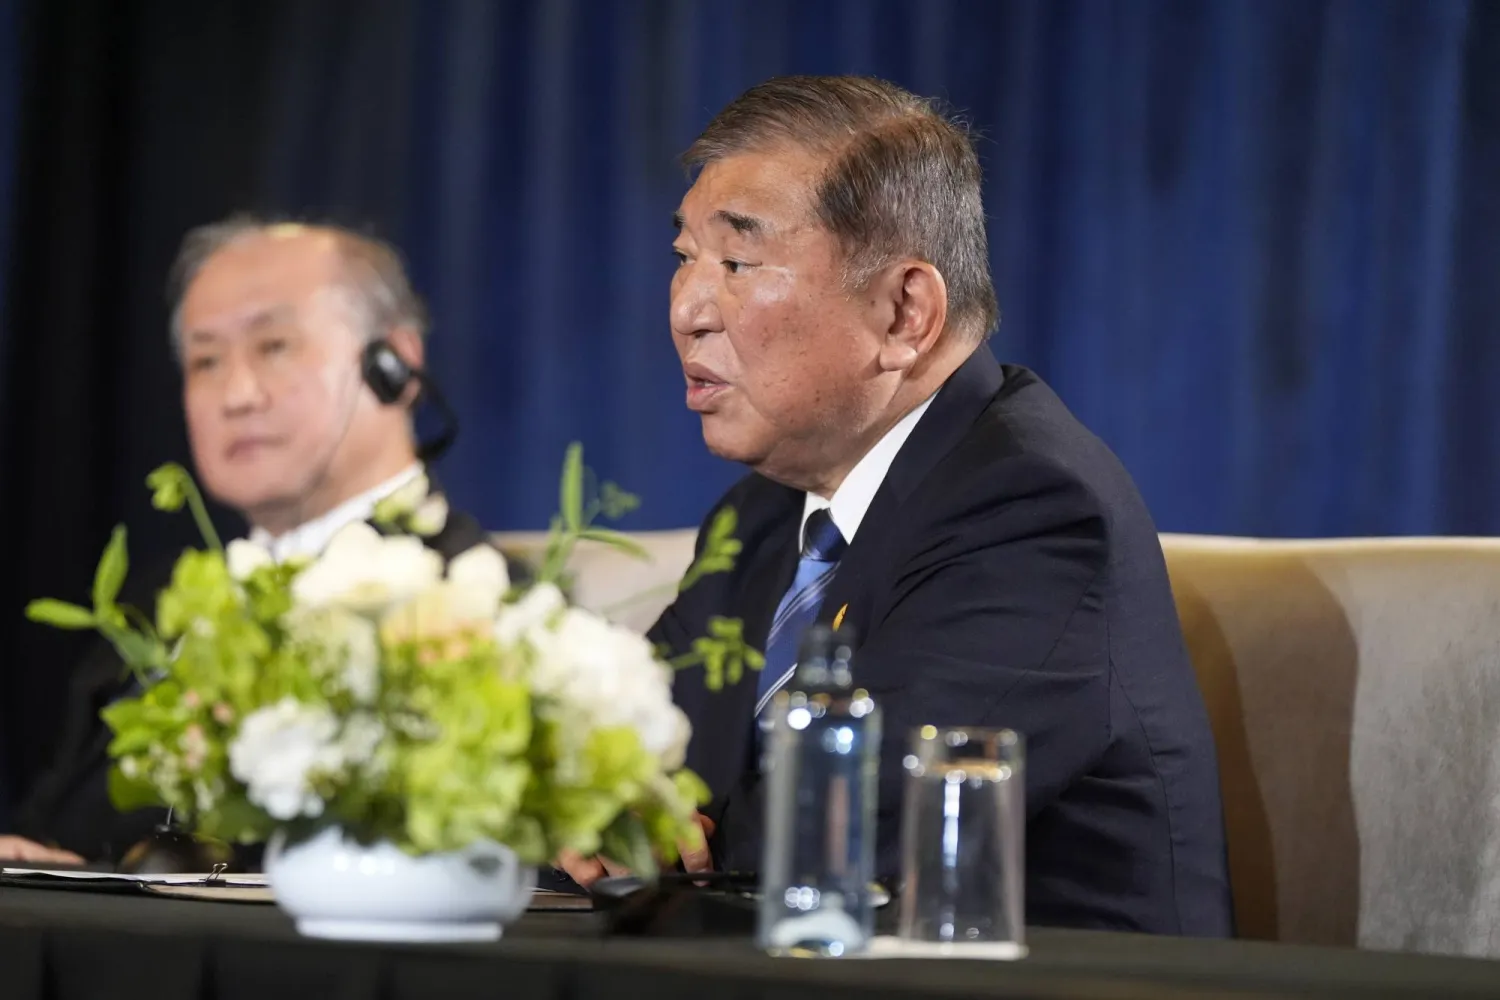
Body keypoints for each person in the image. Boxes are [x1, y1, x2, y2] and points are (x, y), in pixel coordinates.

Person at [565, 76, 1233, 936]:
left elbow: (843, 840)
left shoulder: (1032, 512)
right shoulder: (763, 516)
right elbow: (634, 756)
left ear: (905, 311)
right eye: (682, 257)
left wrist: (651, 836)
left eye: (736, 262)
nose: (687, 310)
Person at [0, 219, 487, 865]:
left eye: (275, 347)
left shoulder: (469, 599)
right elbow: (45, 832)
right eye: (206, 360)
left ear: (393, 365)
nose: (237, 394)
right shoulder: (162, 599)